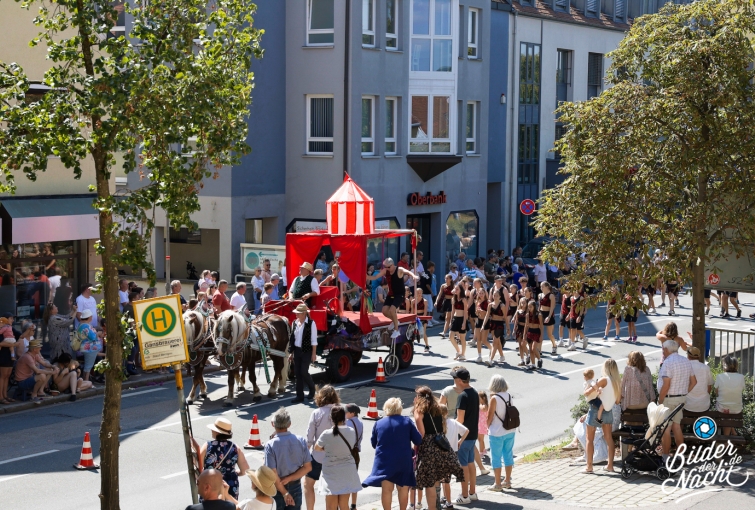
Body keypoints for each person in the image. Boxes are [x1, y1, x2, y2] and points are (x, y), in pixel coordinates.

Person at [363, 397, 423, 510]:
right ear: (400, 408)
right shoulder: (407, 422)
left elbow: (374, 443)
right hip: (403, 460)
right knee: (403, 489)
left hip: (384, 461)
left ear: (386, 408)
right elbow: (418, 440)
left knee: (387, 490)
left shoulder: (379, 423)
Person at [414, 386, 465, 510]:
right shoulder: (437, 407)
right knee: (437, 478)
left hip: (429, 447)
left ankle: (432, 508)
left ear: (419, 397)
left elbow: (421, 433)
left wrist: (415, 447)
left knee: (429, 482)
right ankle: (437, 506)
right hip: (441, 444)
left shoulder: (419, 410)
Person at [312, 405, 362, 510]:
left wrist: (326, 449)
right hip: (347, 470)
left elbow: (317, 448)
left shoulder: (326, 434)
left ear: (331, 418)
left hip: (331, 471)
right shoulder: (351, 431)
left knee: (331, 506)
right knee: (344, 505)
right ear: (344, 417)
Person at [264, 407, 312, 510]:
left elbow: (272, 473)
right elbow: (308, 467)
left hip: (277, 489)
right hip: (295, 486)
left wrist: (284, 493)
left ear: (273, 424)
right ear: (289, 424)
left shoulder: (270, 445)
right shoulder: (300, 440)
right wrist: (289, 478)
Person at [658, 341, 697, 463]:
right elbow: (694, 382)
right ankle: (680, 455)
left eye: (663, 349)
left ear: (666, 349)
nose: (663, 351)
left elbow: (666, 384)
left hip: (668, 398)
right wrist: (684, 392)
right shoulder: (685, 361)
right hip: (681, 399)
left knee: (666, 428)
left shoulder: (667, 362)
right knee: (677, 427)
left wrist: (660, 400)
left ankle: (665, 456)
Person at [304, 385, 340, 510]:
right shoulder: (340, 412)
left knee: (308, 484)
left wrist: (305, 455)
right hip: (335, 458)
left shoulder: (316, 413)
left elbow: (310, 436)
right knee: (331, 488)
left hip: (318, 457)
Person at [582, 359, 621, 473]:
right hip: (608, 410)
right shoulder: (618, 382)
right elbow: (617, 401)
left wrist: (586, 392)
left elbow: (588, 392)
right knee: (608, 438)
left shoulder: (604, 379)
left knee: (589, 439)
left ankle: (589, 467)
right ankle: (610, 466)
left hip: (595, 410)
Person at [366, 258, 420, 338]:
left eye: (388, 267)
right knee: (384, 311)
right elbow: (375, 277)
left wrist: (414, 276)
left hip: (399, 294)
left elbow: (408, 272)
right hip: (391, 294)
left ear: (392, 265)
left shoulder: (399, 270)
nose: (387, 268)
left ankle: (396, 330)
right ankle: (395, 321)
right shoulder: (386, 270)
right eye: (385, 267)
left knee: (392, 310)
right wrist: (367, 276)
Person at [199, 418, 250, 501]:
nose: (211, 431)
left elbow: (199, 467)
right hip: (230, 485)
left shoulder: (207, 446)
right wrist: (233, 473)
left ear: (217, 432)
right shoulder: (235, 447)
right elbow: (245, 470)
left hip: (210, 484)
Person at [453, 367, 480, 504]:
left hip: (463, 437)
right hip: (473, 434)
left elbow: (460, 420)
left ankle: (464, 496)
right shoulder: (474, 392)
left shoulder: (462, 396)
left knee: (463, 465)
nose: (454, 381)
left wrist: (450, 424)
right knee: (470, 463)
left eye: (454, 378)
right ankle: (472, 492)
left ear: (459, 380)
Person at [486, 374, 516, 491]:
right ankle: (507, 481)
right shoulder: (508, 395)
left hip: (497, 432)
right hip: (510, 430)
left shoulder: (494, 398)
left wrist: (486, 428)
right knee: (508, 454)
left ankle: (497, 483)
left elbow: (489, 416)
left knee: (496, 458)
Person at [288, 304, 318, 403]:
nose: (296, 314)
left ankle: (312, 389)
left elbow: (314, 340)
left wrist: (313, 354)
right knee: (297, 373)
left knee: (303, 371)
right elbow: (292, 339)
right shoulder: (294, 323)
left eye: (298, 313)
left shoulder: (311, 323)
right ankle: (299, 396)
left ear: (304, 313)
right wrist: (291, 353)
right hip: (297, 351)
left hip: (306, 351)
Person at [440, 403, 468, 506]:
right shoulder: (453, 422)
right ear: (447, 412)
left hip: (443, 453)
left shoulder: (439, 425)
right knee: (446, 478)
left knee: (445, 479)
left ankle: (448, 502)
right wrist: (460, 441)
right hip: (454, 452)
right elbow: (466, 431)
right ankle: (445, 498)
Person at [14, 340, 56, 404]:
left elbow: (44, 363)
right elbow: (37, 371)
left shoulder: (35, 355)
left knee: (50, 370)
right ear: (34, 349)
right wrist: (52, 373)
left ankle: (40, 391)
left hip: (29, 378)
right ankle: (34, 395)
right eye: (39, 347)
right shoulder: (27, 357)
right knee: (42, 376)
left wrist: (53, 366)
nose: (41, 349)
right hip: (22, 382)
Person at [715, 355, 745, 435]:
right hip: (737, 408)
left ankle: (726, 438)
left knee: (726, 410)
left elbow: (716, 392)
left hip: (722, 408)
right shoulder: (741, 377)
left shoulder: (720, 376)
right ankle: (733, 431)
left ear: (725, 365)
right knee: (729, 411)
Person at [344, 403, 363, 510]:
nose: (344, 413)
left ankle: (344, 504)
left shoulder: (347, 423)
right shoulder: (360, 423)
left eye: (346, 412)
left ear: (352, 413)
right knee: (354, 478)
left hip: (348, 453)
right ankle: (353, 505)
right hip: (356, 453)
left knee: (345, 480)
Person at [76, 309, 102, 382]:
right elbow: (92, 337)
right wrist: (98, 333)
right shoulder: (86, 326)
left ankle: (86, 381)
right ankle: (86, 381)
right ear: (89, 317)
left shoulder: (81, 324)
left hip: (87, 348)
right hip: (89, 349)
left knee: (88, 366)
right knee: (88, 366)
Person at [684, 346, 713, 413]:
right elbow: (709, 386)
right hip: (704, 405)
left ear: (688, 356)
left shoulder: (685, 367)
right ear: (699, 356)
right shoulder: (706, 368)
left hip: (688, 405)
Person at [0, 314, 17, 405]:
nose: (12, 320)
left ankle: (5, 395)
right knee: (3, 376)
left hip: (10, 355)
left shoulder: (11, 328)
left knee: (7, 376)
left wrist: (29, 329)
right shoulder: (2, 328)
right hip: (3, 355)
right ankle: (1, 397)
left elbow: (20, 335)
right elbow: (1, 343)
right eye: (11, 318)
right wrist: (13, 344)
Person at [448, 285, 468, 361]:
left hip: (462, 319)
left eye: (457, 289)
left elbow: (465, 312)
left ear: (460, 290)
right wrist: (451, 321)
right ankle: (458, 351)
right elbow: (452, 311)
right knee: (451, 336)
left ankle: (463, 354)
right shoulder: (453, 299)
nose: (455, 290)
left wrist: (464, 323)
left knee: (462, 338)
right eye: (455, 289)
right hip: (455, 319)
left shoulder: (464, 299)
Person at [523, 299, 543, 370]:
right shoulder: (527, 315)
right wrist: (524, 335)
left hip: (536, 332)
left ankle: (539, 359)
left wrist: (541, 336)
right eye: (528, 307)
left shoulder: (539, 315)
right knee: (530, 350)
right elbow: (526, 325)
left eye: (530, 307)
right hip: (530, 332)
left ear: (534, 307)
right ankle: (533, 364)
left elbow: (541, 326)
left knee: (533, 348)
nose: (529, 308)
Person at [436, 274, 454, 338]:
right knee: (447, 318)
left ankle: (446, 332)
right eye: (445, 278)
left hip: (452, 302)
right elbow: (440, 294)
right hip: (446, 301)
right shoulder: (443, 286)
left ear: (450, 279)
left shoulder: (453, 286)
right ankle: (446, 332)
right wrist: (436, 301)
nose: (446, 279)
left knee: (448, 317)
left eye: (447, 278)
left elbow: (456, 295)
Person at [413, 288, 430, 353]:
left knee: (423, 332)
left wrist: (421, 319)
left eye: (420, 292)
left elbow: (425, 312)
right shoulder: (413, 301)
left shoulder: (425, 301)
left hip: (422, 317)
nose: (419, 294)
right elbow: (412, 311)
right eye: (417, 292)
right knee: (412, 333)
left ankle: (427, 345)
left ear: (422, 293)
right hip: (415, 317)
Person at [477, 392, 489, 458]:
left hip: (482, 425)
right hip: (480, 424)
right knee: (480, 439)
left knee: (480, 439)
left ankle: (481, 452)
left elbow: (483, 409)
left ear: (483, 398)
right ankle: (483, 450)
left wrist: (478, 404)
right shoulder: (482, 405)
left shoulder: (484, 405)